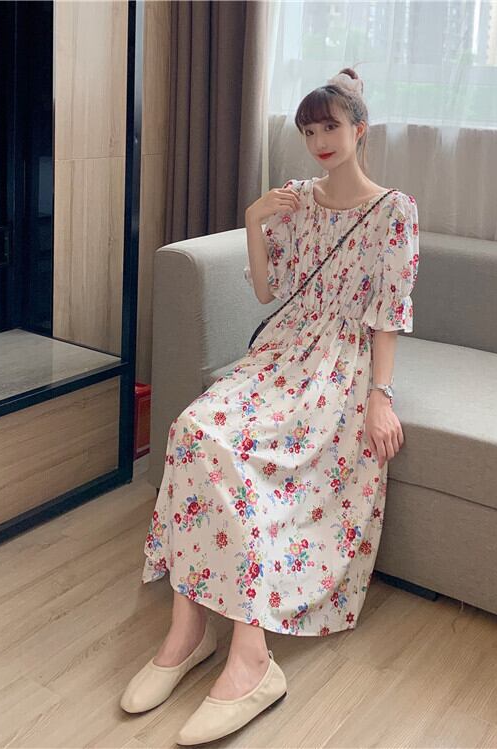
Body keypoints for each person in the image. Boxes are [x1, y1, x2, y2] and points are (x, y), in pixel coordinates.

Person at [121, 66, 420, 745]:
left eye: (331, 127)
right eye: (309, 131)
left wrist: (380, 397)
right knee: (193, 429)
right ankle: (189, 631)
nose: (319, 142)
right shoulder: (298, 200)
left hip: (337, 365)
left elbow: (388, 313)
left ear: (360, 128)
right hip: (282, 351)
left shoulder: (393, 211)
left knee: (242, 456)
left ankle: (251, 659)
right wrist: (256, 218)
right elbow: (266, 290)